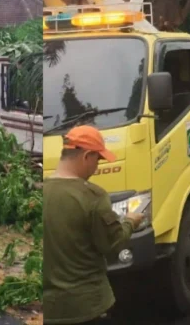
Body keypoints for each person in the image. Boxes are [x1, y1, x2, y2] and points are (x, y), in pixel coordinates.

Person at [42, 125, 144, 325]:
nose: (96, 168)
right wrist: (130, 222)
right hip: (88, 307)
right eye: (97, 160)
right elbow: (113, 244)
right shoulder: (93, 196)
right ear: (86, 156)